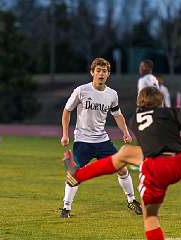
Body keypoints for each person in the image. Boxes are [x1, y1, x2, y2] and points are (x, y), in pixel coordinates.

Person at [64, 87, 181, 240]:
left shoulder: (135, 119)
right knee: (127, 153)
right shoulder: (172, 113)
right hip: (179, 162)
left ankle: (78, 175)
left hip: (156, 168)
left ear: (139, 102)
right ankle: (78, 176)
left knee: (150, 216)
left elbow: (155, 143)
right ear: (160, 102)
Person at [59, 57, 142, 218]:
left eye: (104, 71)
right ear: (92, 72)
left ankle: (131, 200)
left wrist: (125, 132)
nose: (101, 74)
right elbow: (67, 111)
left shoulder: (112, 94)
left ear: (108, 74)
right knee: (74, 173)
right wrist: (64, 134)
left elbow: (117, 115)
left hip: (102, 140)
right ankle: (66, 207)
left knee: (122, 168)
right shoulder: (81, 90)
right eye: (98, 70)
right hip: (83, 140)